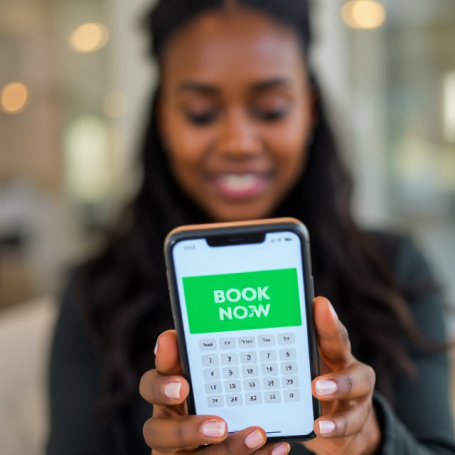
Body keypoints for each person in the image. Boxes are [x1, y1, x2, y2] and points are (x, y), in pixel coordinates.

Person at [47, 1, 455, 454]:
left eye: (271, 109)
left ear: (310, 111)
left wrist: (373, 441)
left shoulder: (396, 272)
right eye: (201, 113)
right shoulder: (95, 294)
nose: (238, 143)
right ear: (164, 117)